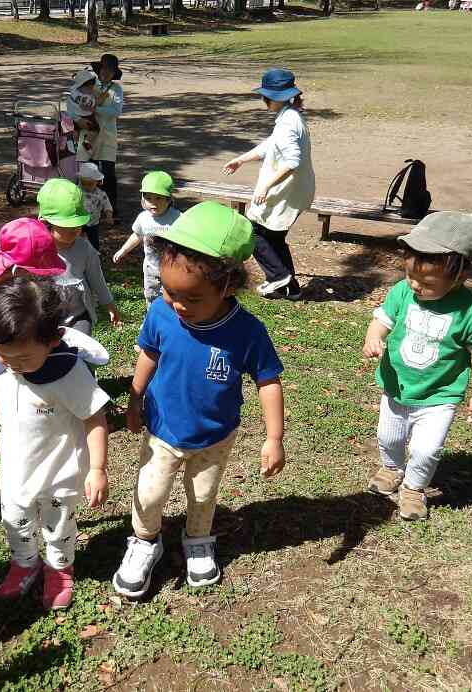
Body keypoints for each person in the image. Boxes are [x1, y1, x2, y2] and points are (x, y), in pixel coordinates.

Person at [112, 202, 287, 599]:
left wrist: (274, 437)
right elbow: (148, 354)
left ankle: (197, 538)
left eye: (191, 297)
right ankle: (144, 540)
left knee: (204, 494)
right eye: (169, 290)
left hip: (215, 435)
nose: (176, 303)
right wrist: (135, 398)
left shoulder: (247, 331)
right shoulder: (162, 313)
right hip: (162, 429)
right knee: (149, 492)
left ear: (227, 287)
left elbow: (268, 380)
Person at [0, 277, 111, 609]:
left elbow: (94, 418)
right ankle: (25, 563)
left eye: (22, 359)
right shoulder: (1, 360)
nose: (12, 366)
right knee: (15, 520)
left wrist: (98, 468)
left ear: (52, 340)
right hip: (16, 467)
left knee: (58, 525)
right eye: (4, 356)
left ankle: (60, 569)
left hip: (59, 472)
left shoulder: (67, 373)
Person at [362, 212, 472, 521]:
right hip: (396, 386)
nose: (414, 285)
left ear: (459, 277)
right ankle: (392, 467)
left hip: (440, 395)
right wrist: (373, 337)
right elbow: (382, 320)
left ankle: (414, 488)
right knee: (389, 437)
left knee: (426, 449)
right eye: (410, 275)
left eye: (426, 282)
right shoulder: (402, 292)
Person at [223, 68, 315, 300]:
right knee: (274, 237)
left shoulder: (287, 123)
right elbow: (270, 145)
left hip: (285, 191)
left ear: (273, 97)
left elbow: (292, 162)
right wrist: (241, 159)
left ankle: (278, 277)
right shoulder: (290, 116)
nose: (263, 100)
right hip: (295, 190)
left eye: (265, 96)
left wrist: (266, 186)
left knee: (252, 230)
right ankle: (291, 288)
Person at [0, 218, 66, 373]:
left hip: (29, 349)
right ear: (18, 271)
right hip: (2, 346)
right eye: (38, 272)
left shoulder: (32, 289)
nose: (41, 278)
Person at [37, 178, 122, 335]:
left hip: (78, 316)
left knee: (80, 347)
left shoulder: (84, 248)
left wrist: (109, 305)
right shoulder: (36, 249)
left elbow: (97, 279)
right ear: (45, 222)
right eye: (67, 225)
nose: (75, 229)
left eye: (78, 224)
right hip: (45, 318)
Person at [113, 171, 182, 305]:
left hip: (172, 269)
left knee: (171, 297)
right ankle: (151, 314)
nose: (153, 203)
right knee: (151, 295)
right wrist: (123, 250)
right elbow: (137, 235)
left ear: (169, 199)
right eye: (149, 198)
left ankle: (169, 315)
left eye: (158, 198)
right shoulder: (143, 218)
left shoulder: (178, 218)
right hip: (151, 268)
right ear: (143, 199)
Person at [79, 54, 124, 221]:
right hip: (89, 135)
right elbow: (79, 104)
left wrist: (95, 109)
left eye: (110, 71)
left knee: (108, 174)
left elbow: (116, 111)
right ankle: (84, 207)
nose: (106, 73)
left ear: (114, 73)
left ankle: (111, 210)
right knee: (87, 172)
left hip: (107, 136)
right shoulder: (90, 86)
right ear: (99, 70)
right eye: (104, 69)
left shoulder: (116, 89)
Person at [78, 162, 113, 252]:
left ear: (97, 182)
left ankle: (95, 254)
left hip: (93, 222)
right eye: (83, 183)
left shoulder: (100, 194)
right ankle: (78, 252)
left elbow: (106, 204)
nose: (86, 186)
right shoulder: (77, 191)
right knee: (77, 238)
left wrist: (109, 215)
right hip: (79, 221)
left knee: (93, 240)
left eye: (90, 184)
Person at [66, 70, 101, 157]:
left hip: (77, 116)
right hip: (84, 116)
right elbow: (92, 105)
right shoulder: (83, 97)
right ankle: (83, 142)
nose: (91, 89)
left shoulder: (74, 92)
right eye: (88, 88)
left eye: (92, 87)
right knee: (95, 129)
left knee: (77, 130)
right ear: (80, 87)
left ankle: (78, 143)